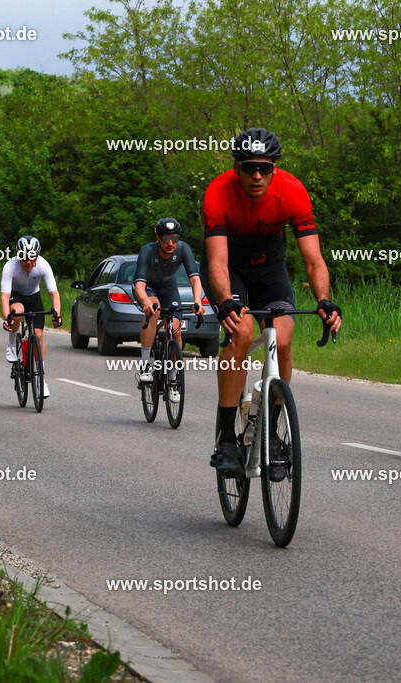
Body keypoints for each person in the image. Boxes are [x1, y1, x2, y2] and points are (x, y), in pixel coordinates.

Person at [203, 127, 341, 478]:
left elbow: (313, 260)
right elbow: (218, 262)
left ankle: (271, 431)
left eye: (265, 167)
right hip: (230, 269)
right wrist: (224, 301)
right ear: (237, 168)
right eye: (249, 167)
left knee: (283, 338)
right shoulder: (218, 192)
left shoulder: (292, 191)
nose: (257, 175)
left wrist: (324, 301)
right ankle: (226, 440)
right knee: (241, 333)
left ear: (275, 167)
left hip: (270, 270)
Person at [133, 218, 205, 403]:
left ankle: (173, 380)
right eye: (166, 239)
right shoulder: (148, 251)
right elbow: (139, 285)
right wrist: (145, 301)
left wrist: (197, 300)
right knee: (154, 311)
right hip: (148, 288)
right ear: (158, 238)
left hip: (168, 288)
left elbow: (195, 279)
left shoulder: (183, 249)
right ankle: (145, 366)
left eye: (174, 238)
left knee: (176, 330)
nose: (171, 243)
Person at [0, 236, 62, 398]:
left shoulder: (43, 265)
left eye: (32, 257)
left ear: (37, 255)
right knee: (18, 311)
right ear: (18, 255)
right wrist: (7, 317)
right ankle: (12, 344)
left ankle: (41, 379)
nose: (28, 261)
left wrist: (57, 315)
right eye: (24, 257)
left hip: (34, 296)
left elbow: (54, 293)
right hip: (16, 295)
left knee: (39, 334)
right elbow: (5, 296)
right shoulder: (10, 266)